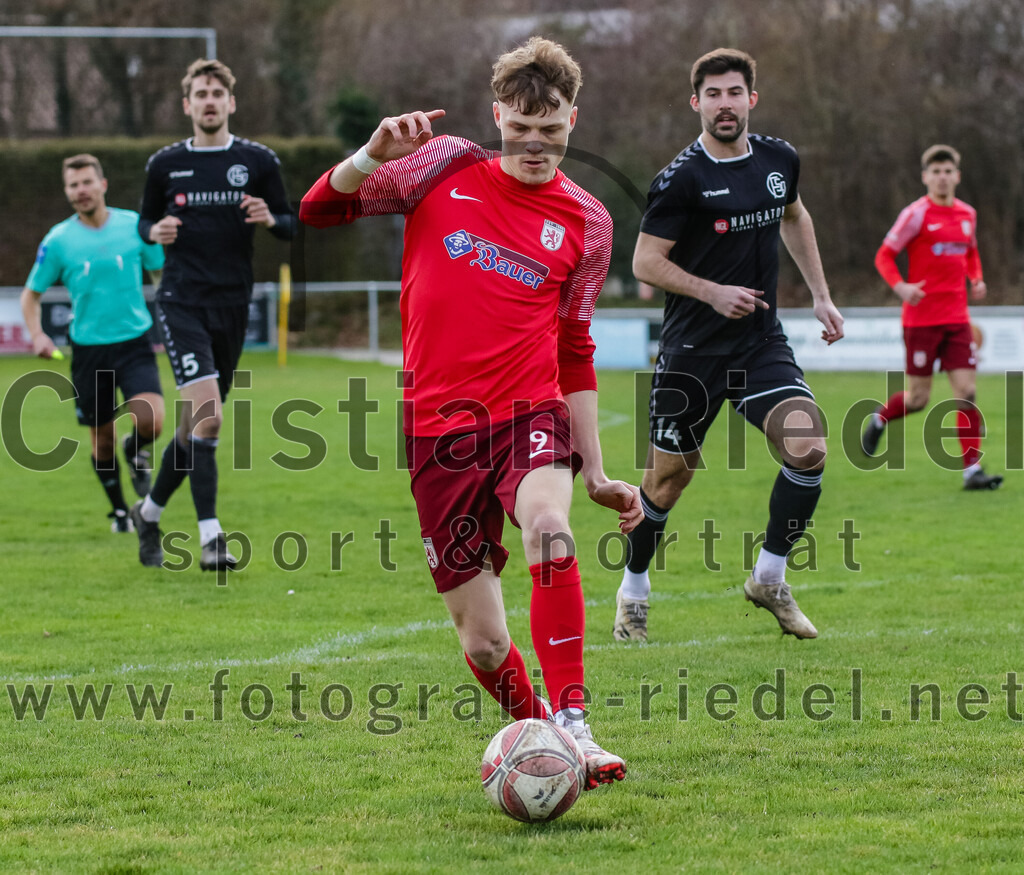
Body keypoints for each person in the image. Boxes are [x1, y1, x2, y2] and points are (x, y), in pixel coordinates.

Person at [299, 37, 642, 789]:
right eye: (520, 129)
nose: (535, 145)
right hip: (437, 433)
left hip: (529, 414)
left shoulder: (588, 222)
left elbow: (576, 347)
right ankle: (545, 735)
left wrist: (596, 471)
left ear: (573, 120)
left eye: (550, 130)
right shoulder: (442, 165)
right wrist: (371, 153)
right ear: (496, 118)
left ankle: (575, 724)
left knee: (548, 525)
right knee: (484, 642)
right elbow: (317, 210)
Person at [614, 47, 844, 644]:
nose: (724, 104)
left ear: (751, 99)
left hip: (758, 344)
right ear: (696, 103)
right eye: (713, 94)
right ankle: (633, 591)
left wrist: (820, 295)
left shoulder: (778, 159)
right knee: (667, 482)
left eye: (734, 92)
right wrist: (710, 292)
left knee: (808, 446)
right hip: (691, 353)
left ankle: (769, 578)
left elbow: (795, 216)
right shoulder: (680, 179)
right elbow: (645, 262)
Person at [131, 58, 297, 570]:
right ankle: (211, 539)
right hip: (182, 301)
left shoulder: (258, 160)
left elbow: (291, 223)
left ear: (231, 102)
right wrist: (152, 231)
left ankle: (148, 514)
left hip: (232, 305)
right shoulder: (165, 164)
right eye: (200, 94)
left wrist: (270, 218)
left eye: (216, 94)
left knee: (194, 428)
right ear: (187, 105)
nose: (208, 102)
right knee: (210, 416)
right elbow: (143, 220)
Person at [21, 154, 165, 533]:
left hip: (134, 342)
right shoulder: (58, 241)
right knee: (101, 440)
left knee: (152, 420)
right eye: (73, 185)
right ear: (67, 192)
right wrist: (37, 334)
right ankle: (120, 512)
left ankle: (135, 450)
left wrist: (175, 319)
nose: (81, 191)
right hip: (89, 351)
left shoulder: (134, 227)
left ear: (103, 184)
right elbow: (31, 295)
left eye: (87, 182)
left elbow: (160, 273)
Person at [861, 144, 1003, 491]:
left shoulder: (967, 214)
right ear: (925, 177)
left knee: (967, 392)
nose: (942, 178)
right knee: (918, 399)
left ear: (957, 176)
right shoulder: (916, 215)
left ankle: (972, 472)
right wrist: (901, 287)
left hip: (957, 320)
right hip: (921, 321)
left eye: (947, 171)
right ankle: (880, 419)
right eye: (936, 172)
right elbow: (884, 256)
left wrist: (976, 278)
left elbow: (970, 253)